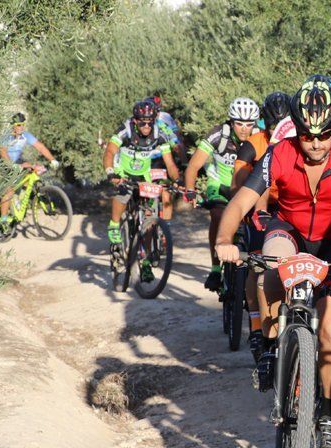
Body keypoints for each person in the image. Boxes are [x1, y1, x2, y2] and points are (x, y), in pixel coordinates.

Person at [214, 75, 331, 448]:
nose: (315, 144)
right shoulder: (279, 153)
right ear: (296, 128)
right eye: (308, 135)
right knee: (271, 266)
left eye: (324, 135)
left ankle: (328, 417)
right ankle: (271, 340)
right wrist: (223, 241)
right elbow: (240, 203)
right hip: (289, 230)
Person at [232, 91, 291, 360]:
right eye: (271, 124)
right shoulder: (254, 143)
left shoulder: (298, 140)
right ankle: (257, 324)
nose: (277, 129)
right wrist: (251, 209)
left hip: (290, 206)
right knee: (257, 266)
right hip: (259, 206)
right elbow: (238, 184)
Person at [184, 97, 261, 292]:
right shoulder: (219, 134)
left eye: (249, 124)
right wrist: (190, 190)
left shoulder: (259, 136)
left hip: (246, 186)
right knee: (218, 216)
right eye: (239, 123)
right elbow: (194, 164)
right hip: (219, 184)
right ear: (231, 121)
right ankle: (216, 268)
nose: (244, 128)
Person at [103, 101, 183, 281]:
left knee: (148, 220)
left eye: (150, 122)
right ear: (135, 120)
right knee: (123, 193)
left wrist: (176, 180)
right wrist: (111, 173)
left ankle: (145, 262)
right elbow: (109, 152)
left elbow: (169, 162)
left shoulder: (159, 135)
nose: (146, 126)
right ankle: (115, 225)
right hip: (123, 171)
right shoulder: (125, 130)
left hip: (143, 175)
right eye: (142, 122)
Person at [268, 80, 331, 154]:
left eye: (325, 135)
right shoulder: (286, 123)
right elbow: (270, 157)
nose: (316, 145)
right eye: (306, 136)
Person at [0, 112, 60, 222]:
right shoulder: (7, 136)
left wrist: (52, 159)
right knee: (9, 191)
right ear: (13, 125)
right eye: (18, 124)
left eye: (22, 124)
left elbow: (40, 147)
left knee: (31, 173)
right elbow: (3, 154)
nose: (21, 127)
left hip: (16, 164)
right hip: (2, 166)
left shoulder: (26, 136)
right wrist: (15, 166)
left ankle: (18, 200)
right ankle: (3, 221)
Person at [146, 91, 188, 166]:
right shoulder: (141, 121)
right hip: (146, 153)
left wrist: (176, 144)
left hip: (163, 148)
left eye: (159, 110)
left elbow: (175, 133)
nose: (157, 113)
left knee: (178, 142)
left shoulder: (165, 117)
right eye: (155, 111)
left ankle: (184, 165)